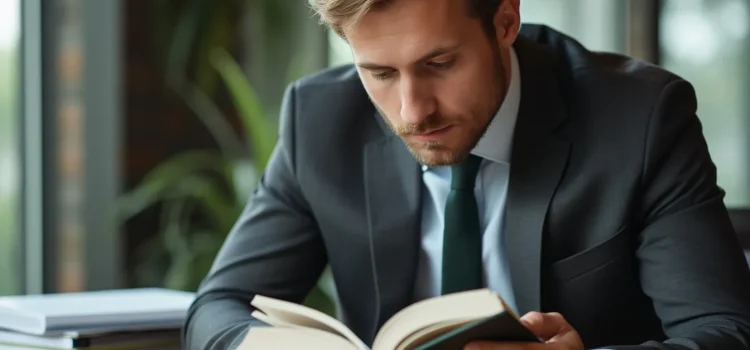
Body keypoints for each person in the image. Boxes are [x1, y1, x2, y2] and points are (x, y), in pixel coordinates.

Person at [183, 0, 750, 349]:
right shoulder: (319, 120)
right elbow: (218, 307)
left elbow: (725, 331)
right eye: (379, 72)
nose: (412, 111)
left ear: (505, 20)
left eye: (439, 64)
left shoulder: (639, 118)